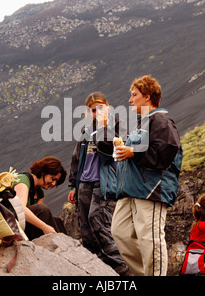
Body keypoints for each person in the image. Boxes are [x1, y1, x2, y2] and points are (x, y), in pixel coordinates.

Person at [112, 75, 183, 276]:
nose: (130, 99)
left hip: (151, 188)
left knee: (149, 237)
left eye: (134, 95)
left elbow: (167, 150)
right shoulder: (142, 123)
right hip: (131, 188)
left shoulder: (161, 120)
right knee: (120, 232)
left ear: (147, 96)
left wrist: (133, 152)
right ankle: (145, 273)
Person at [68, 92, 129, 275]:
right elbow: (77, 157)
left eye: (100, 108)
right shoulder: (86, 129)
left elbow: (110, 149)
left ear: (107, 105)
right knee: (85, 225)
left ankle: (120, 266)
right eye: (93, 110)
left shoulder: (117, 124)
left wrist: (104, 126)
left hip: (104, 179)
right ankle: (98, 267)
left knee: (98, 219)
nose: (97, 112)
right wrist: (73, 184)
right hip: (84, 182)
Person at [13, 156, 67, 240]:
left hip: (24, 225)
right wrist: (45, 227)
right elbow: (20, 209)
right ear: (43, 172)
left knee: (57, 221)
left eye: (55, 182)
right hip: (10, 222)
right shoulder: (23, 180)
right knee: (42, 209)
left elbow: (40, 218)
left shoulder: (40, 193)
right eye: (53, 179)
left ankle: (64, 243)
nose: (53, 184)